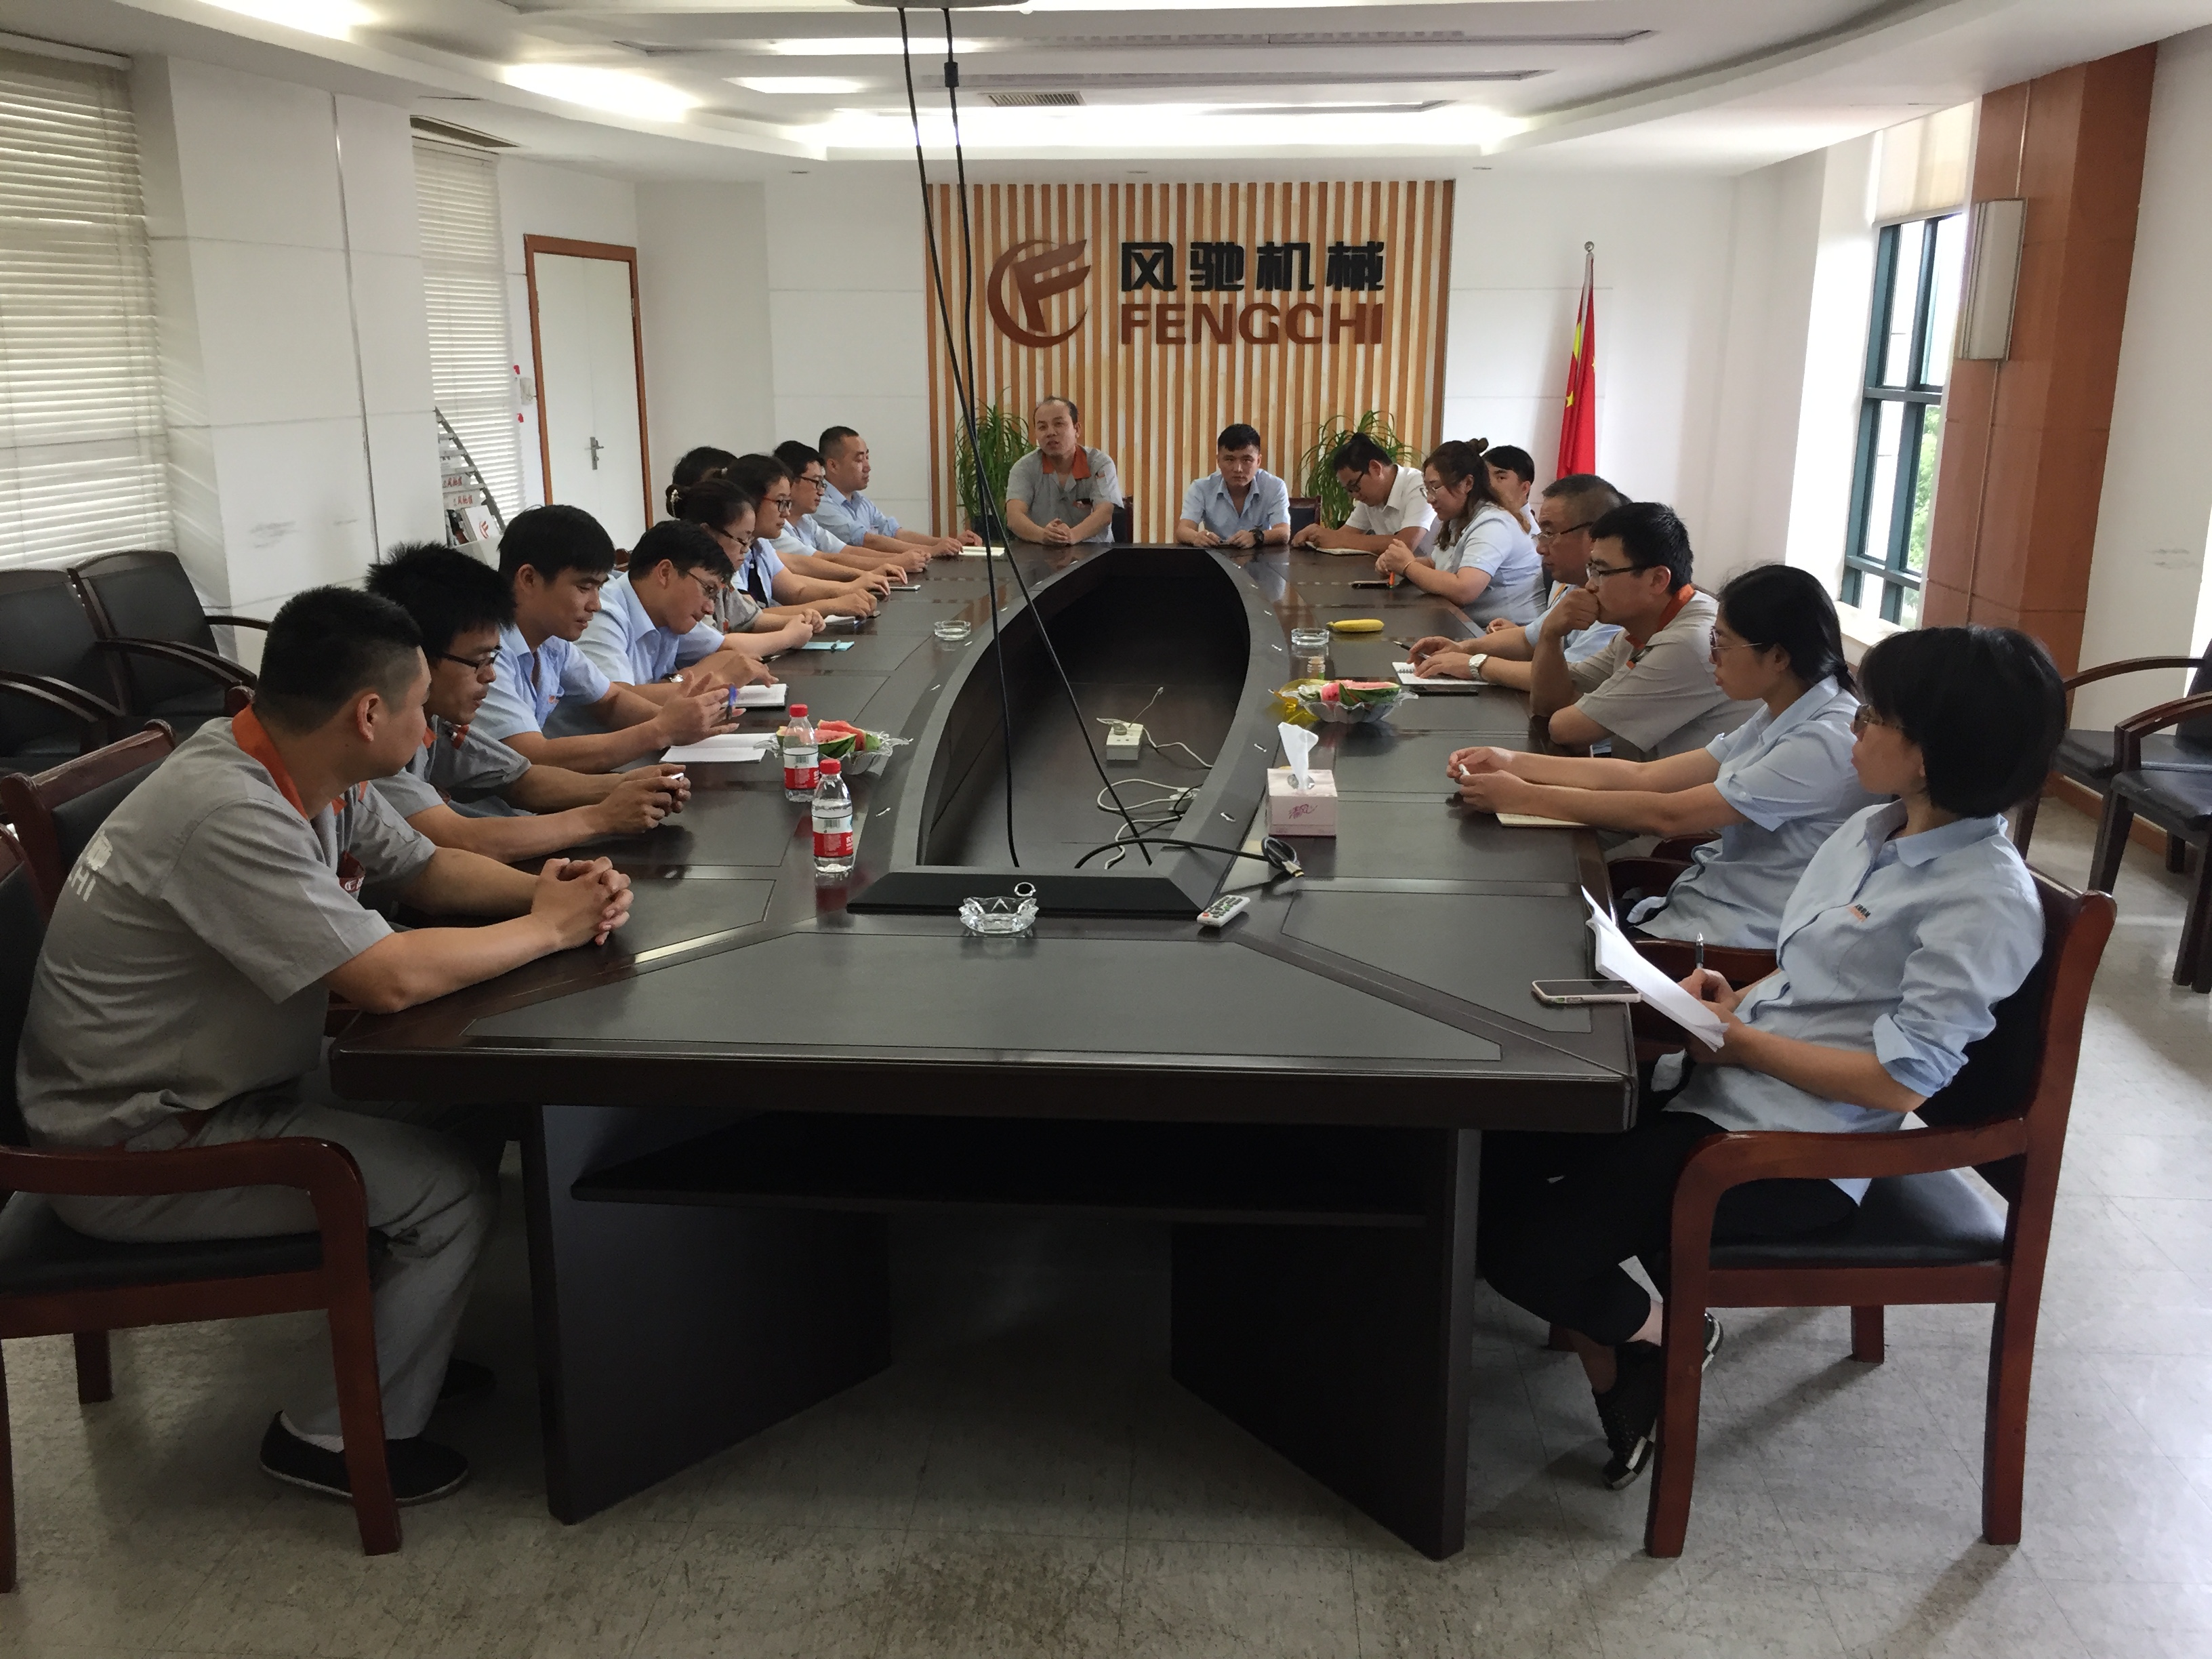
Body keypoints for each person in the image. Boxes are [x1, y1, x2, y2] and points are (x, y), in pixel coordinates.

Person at [16, 586, 635, 1504]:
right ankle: (329, 1439)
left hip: (221, 1084)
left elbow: (427, 870)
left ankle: (395, 1345)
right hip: (139, 1145)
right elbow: (386, 979)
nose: (435, 722)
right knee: (448, 1194)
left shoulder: (302, 769)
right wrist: (549, 929)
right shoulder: (226, 811)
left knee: (469, 1102)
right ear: (369, 714)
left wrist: (552, 892)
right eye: (422, 704)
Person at [1481, 624, 2064, 1490]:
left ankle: (1666, 1339)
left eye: (1875, 717)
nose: (1854, 728)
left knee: (1520, 1245)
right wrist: (1733, 1000)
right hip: (1729, 1083)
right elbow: (1812, 973)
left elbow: (1899, 1080)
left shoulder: (1983, 902)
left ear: (1931, 755)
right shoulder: (1874, 829)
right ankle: (1629, 1355)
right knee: (1490, 1148)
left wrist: (1743, 1039)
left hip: (1794, 1152)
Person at [1446, 565, 1874, 948]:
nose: (1712, 656)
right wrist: (1512, 762)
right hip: (1705, 899)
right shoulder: (1785, 709)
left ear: (1778, 656)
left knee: (1527, 937)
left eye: (1722, 643)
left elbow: (1667, 815)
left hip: (1740, 934)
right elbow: (1647, 777)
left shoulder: (1823, 739)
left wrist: (1525, 797)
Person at [365, 543, 690, 857]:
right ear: (418, 658)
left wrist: (630, 785)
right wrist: (601, 817)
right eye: (478, 661)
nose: (490, 675)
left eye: (492, 659)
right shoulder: (374, 749)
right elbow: (462, 840)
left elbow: (522, 779)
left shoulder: (435, 723)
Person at [477, 504, 738, 772]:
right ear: (529, 579)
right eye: (584, 587)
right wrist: (661, 730)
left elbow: (612, 701)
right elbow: (531, 756)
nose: (596, 605)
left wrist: (685, 722)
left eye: (599, 589)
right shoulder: (484, 652)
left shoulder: (554, 645)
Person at [1531, 502, 1758, 761]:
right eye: (1590, 570)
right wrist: (1550, 635)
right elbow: (1550, 703)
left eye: (1601, 572)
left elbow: (1566, 729)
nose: (1590, 585)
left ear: (1657, 580)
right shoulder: (1638, 629)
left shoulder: (1688, 642)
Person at [1405, 473, 1627, 689]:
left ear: (1593, 537)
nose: (1540, 548)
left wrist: (1474, 664)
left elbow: (1567, 678)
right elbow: (1527, 639)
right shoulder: (1575, 586)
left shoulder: (1617, 602)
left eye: (1549, 534)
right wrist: (1463, 648)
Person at [576, 519, 807, 699]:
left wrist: (682, 678)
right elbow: (616, 701)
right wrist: (712, 678)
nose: (709, 608)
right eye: (708, 590)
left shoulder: (669, 613)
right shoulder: (601, 612)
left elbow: (727, 652)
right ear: (665, 573)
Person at [1374, 439, 1544, 626]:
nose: (1430, 499)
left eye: (1435, 487)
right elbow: (1436, 564)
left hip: (1510, 632)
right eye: (1427, 489)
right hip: (1474, 625)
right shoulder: (1461, 517)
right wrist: (1396, 562)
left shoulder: (1494, 523)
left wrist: (1408, 566)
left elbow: (1464, 590)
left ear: (1467, 483)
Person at [729, 453, 886, 618]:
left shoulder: (761, 545)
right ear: (751, 500)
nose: (786, 513)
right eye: (781, 502)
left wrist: (848, 592)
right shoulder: (729, 550)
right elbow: (753, 618)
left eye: (788, 503)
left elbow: (797, 591)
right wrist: (833, 605)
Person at [816, 426, 975, 556]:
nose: (867, 467)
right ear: (833, 466)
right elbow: (867, 541)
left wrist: (949, 543)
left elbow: (895, 533)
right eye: (859, 460)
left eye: (867, 458)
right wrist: (931, 551)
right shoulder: (820, 503)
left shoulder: (861, 501)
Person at [774, 441, 924, 579]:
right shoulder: (775, 530)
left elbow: (846, 550)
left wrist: (896, 560)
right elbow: (826, 560)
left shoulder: (806, 521)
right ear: (790, 481)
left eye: (822, 483)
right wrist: (894, 562)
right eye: (816, 482)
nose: (821, 491)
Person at [1288, 432, 1435, 554]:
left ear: (1375, 468)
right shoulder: (1370, 498)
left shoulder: (1419, 485)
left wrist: (1338, 539)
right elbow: (1344, 535)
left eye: (1355, 486)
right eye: (1349, 491)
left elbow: (1406, 544)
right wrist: (1315, 534)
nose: (1355, 496)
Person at [1004, 396, 1123, 546]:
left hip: (1093, 551)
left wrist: (1071, 536)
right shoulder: (1024, 468)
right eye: (1042, 427)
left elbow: (1104, 513)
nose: (1050, 432)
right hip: (1040, 551)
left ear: (1077, 429)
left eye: (1059, 424)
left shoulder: (1099, 464)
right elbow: (1014, 517)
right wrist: (1043, 535)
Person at [1176, 423, 1292, 550]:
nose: (1238, 469)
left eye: (1246, 460)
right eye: (1230, 460)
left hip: (1261, 556)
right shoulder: (1201, 488)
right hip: (1218, 556)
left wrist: (1256, 536)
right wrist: (1196, 537)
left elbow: (1284, 533)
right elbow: (1183, 530)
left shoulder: (1274, 486)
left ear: (1258, 461)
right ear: (1218, 461)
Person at [1486, 443, 1537, 533]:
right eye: (1485, 476)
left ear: (1524, 488)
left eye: (1501, 477)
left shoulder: (1531, 535)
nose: (1490, 484)